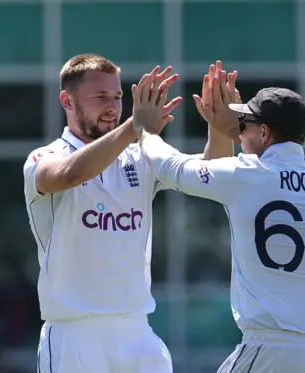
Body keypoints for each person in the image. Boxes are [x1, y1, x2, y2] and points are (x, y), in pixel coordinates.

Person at [22, 54, 234, 373]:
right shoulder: (46, 156)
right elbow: (68, 175)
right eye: (101, 97)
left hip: (138, 334)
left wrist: (220, 129)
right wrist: (134, 127)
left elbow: (210, 175)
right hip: (75, 337)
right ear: (67, 100)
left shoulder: (141, 156)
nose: (112, 106)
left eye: (119, 98)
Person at [134, 83, 305, 372]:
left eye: (244, 124)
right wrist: (227, 130)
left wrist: (145, 130)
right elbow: (250, 176)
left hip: (276, 349)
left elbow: (171, 168)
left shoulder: (244, 176)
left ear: (264, 132)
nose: (239, 131)